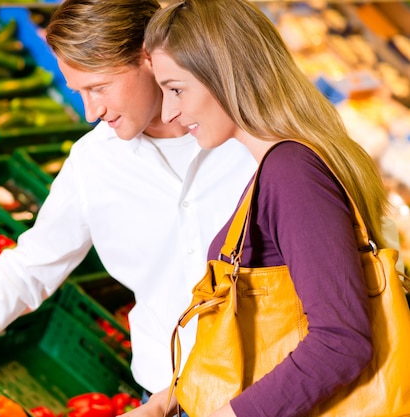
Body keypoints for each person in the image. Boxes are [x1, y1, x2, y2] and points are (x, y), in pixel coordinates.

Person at [0, 1, 258, 416]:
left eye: (98, 87)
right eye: (79, 92)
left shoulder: (252, 141)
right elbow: (31, 266)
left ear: (148, 58)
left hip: (272, 394)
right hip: (167, 402)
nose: (90, 112)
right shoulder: (94, 161)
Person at [142, 0, 397, 416]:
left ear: (224, 75)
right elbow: (268, 332)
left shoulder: (292, 171)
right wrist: (166, 402)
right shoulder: (283, 164)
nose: (170, 112)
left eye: (176, 89)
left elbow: (341, 341)